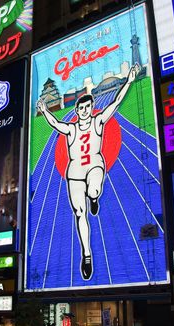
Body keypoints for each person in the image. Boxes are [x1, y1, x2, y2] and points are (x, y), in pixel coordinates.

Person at [37, 63, 139, 280]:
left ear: (91, 108)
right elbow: (55, 123)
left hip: (94, 164)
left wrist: (129, 80)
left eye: (88, 107)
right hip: (74, 171)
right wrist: (44, 110)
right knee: (79, 213)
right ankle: (86, 254)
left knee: (93, 190)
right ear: (77, 111)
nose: (85, 111)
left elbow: (115, 103)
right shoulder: (71, 128)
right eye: (81, 108)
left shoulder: (98, 121)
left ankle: (94, 198)